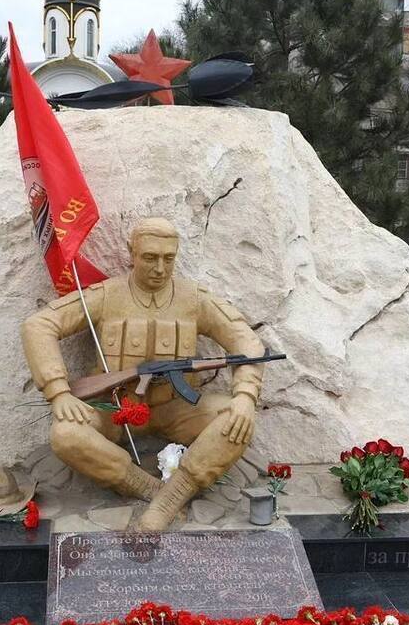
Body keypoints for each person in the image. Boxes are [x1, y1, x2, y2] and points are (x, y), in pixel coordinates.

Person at [21, 218, 266, 531]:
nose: (160, 269)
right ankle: (147, 488)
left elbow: (246, 341)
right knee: (66, 434)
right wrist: (58, 392)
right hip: (115, 409)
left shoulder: (194, 299)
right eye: (150, 257)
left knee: (236, 418)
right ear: (131, 252)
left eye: (169, 258)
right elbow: (38, 325)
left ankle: (171, 498)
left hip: (178, 409)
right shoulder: (107, 294)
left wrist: (245, 395)